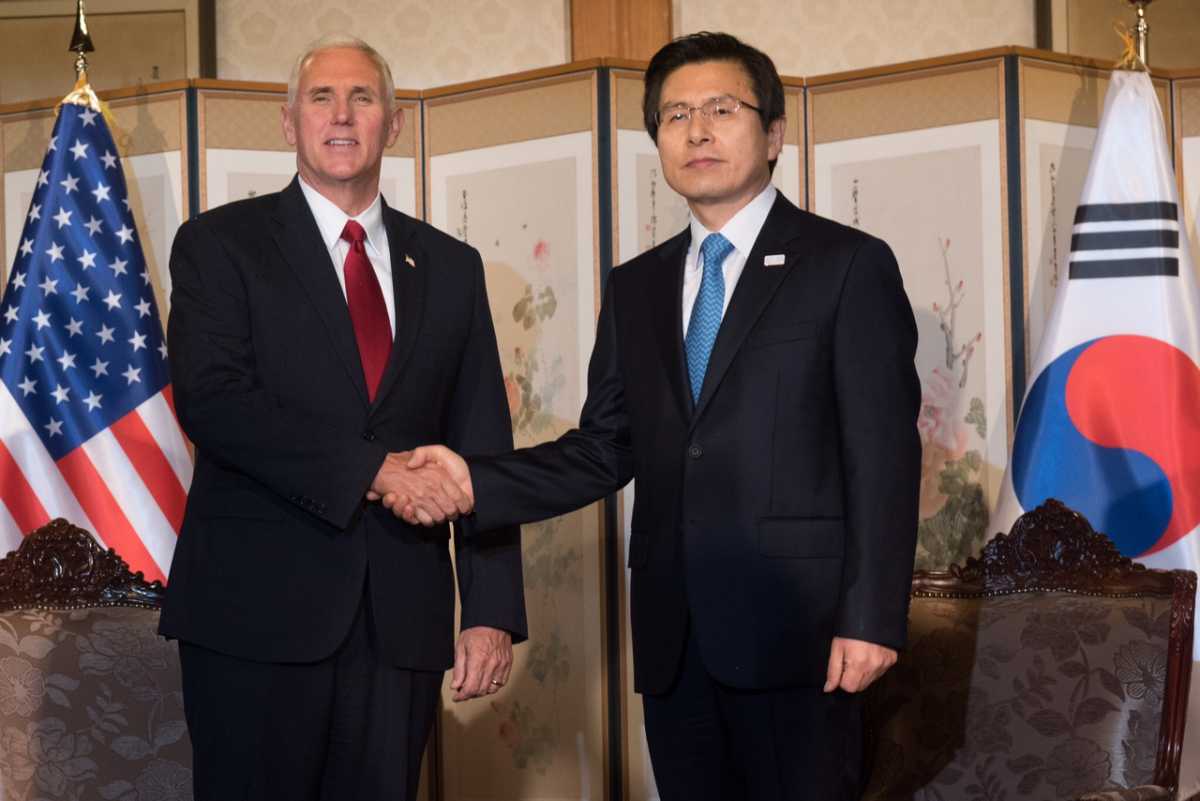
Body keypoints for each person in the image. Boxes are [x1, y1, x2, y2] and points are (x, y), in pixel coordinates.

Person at [398, 31, 921, 800]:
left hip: (803, 640)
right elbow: (604, 449)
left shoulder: (846, 265)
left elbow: (882, 456)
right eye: (675, 115)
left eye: (721, 108)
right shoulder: (637, 286)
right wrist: (475, 480)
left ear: (774, 133)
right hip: (677, 644)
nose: (698, 130)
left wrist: (872, 617)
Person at [159, 34, 527, 801]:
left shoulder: (452, 268)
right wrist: (375, 470)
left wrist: (491, 609)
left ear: (393, 124)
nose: (341, 114)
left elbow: (481, 440)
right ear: (288, 122)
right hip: (253, 620)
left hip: (401, 625)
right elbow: (214, 400)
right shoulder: (220, 246)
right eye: (320, 97)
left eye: (362, 97)